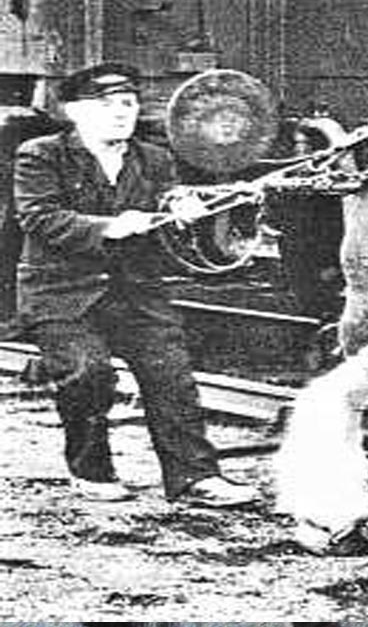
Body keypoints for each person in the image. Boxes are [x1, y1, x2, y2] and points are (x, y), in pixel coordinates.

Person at [12, 62, 260, 506]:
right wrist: (111, 226)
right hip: (61, 296)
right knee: (89, 372)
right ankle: (91, 470)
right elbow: (39, 217)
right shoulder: (41, 154)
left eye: (128, 103)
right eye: (106, 105)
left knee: (171, 373)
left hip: (134, 292)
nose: (121, 112)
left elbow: (167, 198)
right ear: (74, 111)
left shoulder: (154, 158)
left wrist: (185, 205)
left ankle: (194, 478)